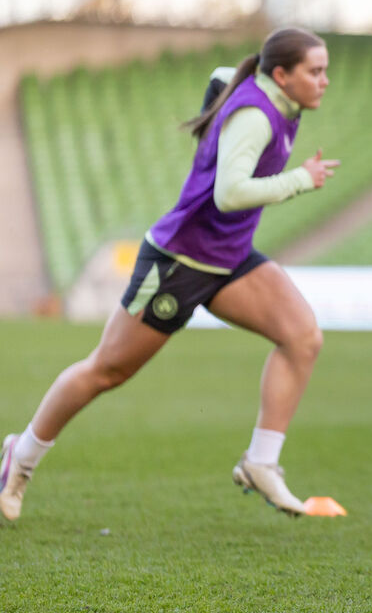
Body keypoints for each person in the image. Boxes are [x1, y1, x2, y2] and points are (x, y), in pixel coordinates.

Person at [1, 27, 340, 521]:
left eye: (325, 69)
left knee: (303, 337)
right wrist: (299, 180)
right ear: (282, 75)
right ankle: (20, 455)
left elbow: (221, 76)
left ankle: (261, 462)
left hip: (227, 258)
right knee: (106, 370)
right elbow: (229, 195)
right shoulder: (255, 115)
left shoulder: (268, 95)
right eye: (315, 71)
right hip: (178, 262)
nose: (325, 80)